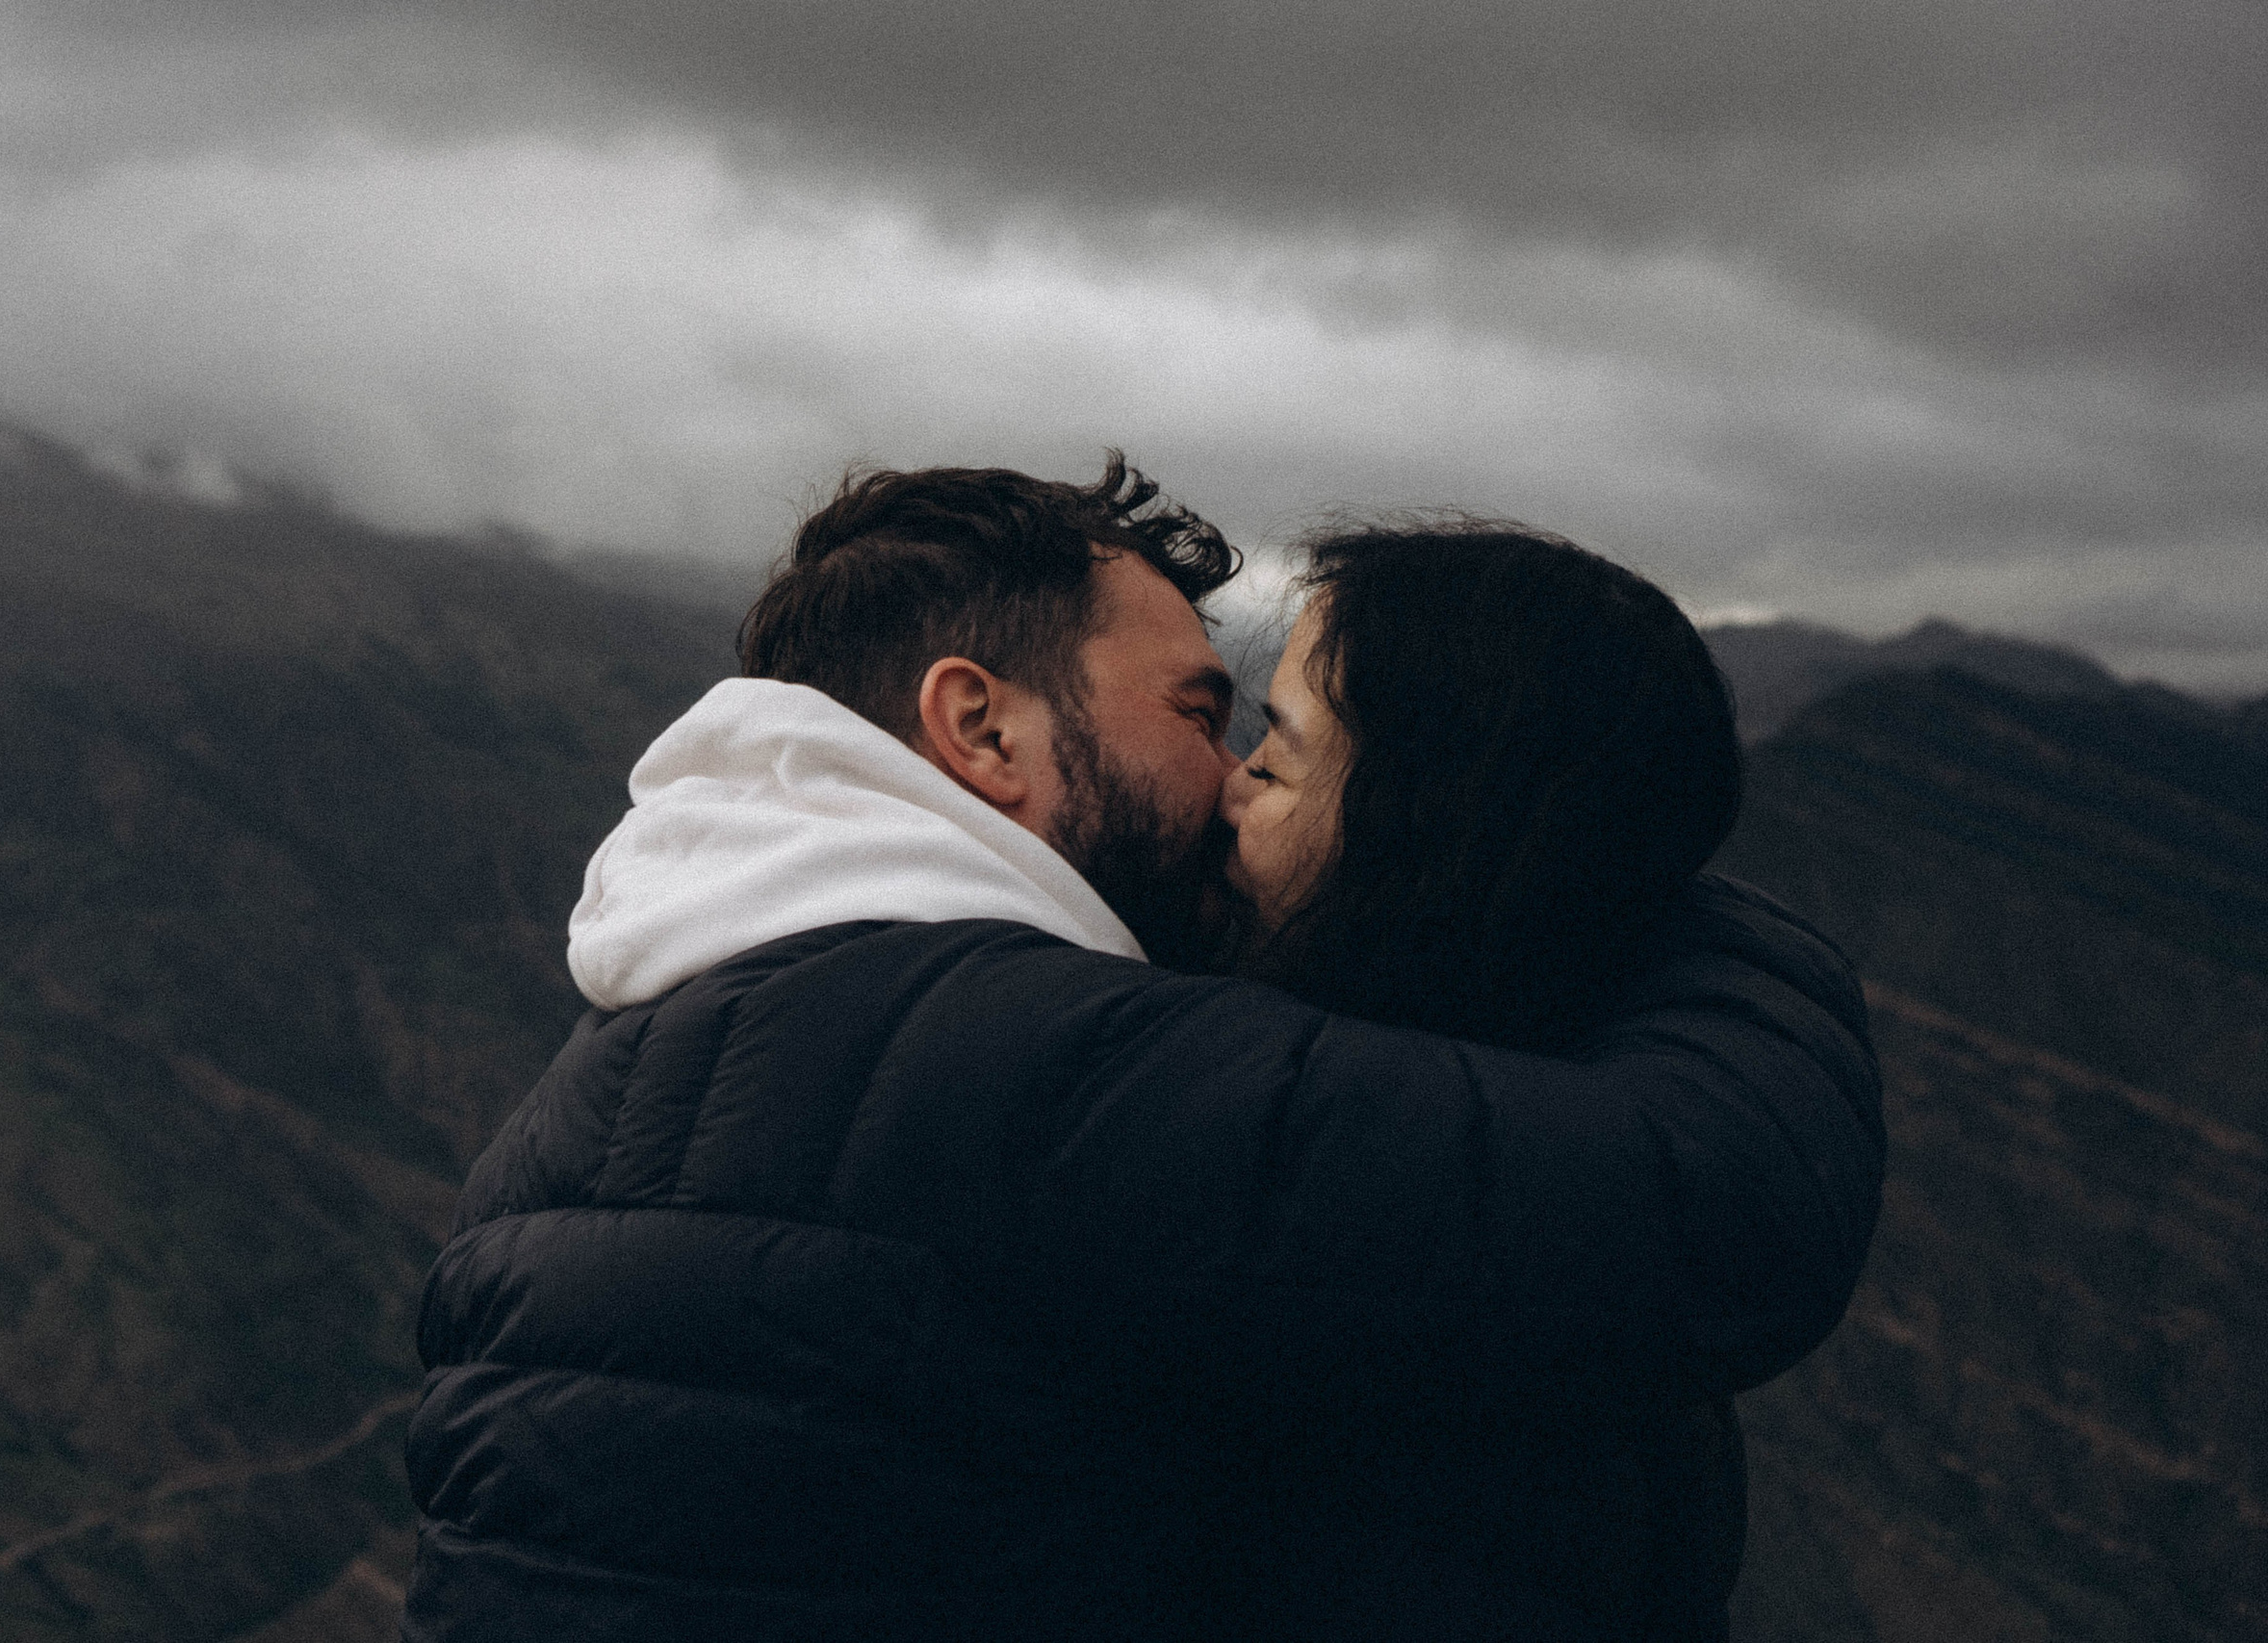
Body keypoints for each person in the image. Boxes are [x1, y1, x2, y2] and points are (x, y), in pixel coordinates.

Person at [398, 457, 1881, 1642]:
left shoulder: (598, 1088)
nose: (1230, 778)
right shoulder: (1028, 1061)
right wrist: (1626, 875)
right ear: (980, 726)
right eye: (1200, 712)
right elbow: (1708, 1200)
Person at [1217, 518, 1769, 1637]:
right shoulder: (1565, 1239)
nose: (1225, 790)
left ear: (1415, 844)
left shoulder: (1361, 1349)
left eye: (1273, 758)